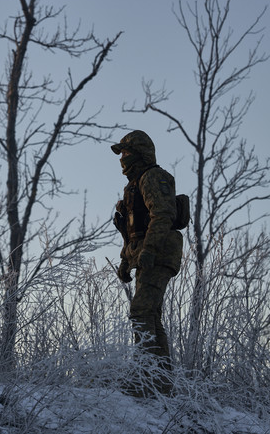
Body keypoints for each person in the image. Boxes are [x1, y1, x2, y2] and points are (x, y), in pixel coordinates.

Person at [111, 130, 184, 396]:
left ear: (140, 154)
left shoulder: (154, 176)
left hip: (160, 252)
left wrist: (150, 251)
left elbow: (163, 214)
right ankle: (161, 383)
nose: (123, 159)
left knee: (141, 310)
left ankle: (146, 379)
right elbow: (133, 231)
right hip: (146, 254)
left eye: (127, 153)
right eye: (122, 154)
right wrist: (124, 260)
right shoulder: (134, 184)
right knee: (150, 314)